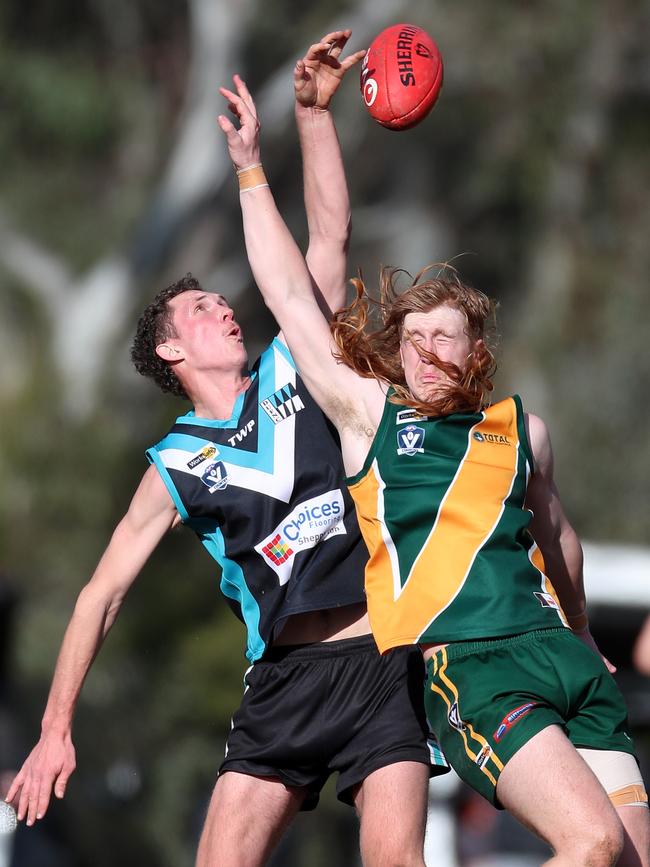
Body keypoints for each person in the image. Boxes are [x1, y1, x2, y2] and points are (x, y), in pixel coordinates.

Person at [5, 33, 448, 867]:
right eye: (204, 309)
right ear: (172, 353)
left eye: (223, 301)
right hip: (282, 683)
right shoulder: (175, 464)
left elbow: (329, 237)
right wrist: (55, 727)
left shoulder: (298, 366)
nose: (227, 310)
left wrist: (311, 117)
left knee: (397, 861)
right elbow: (99, 594)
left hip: (379, 653)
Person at [217, 73, 650, 867]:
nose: (424, 352)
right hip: (473, 666)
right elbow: (286, 292)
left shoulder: (521, 430)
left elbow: (557, 541)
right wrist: (251, 164)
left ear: (476, 352)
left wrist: (583, 629)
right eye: (412, 340)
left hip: (562, 658)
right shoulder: (371, 416)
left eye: (443, 337)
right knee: (587, 845)